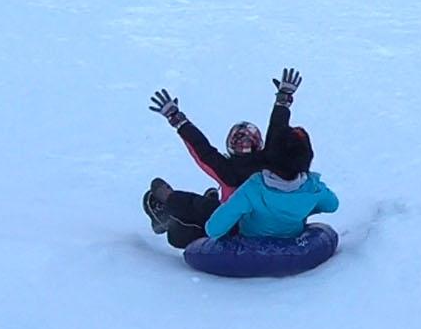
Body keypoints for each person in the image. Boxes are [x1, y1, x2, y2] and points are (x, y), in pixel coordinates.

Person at [144, 68, 303, 249]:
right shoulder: (271, 161)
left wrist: (177, 119)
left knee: (191, 215)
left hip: (233, 229)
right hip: (271, 223)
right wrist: (283, 100)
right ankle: (203, 202)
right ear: (259, 143)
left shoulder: (227, 170)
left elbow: (202, 149)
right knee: (213, 208)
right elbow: (277, 130)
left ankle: (167, 203)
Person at [202, 124, 338, 239]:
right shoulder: (313, 188)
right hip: (291, 238)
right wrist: (303, 207)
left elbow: (213, 229)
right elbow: (332, 205)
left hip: (251, 243)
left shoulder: (254, 187)